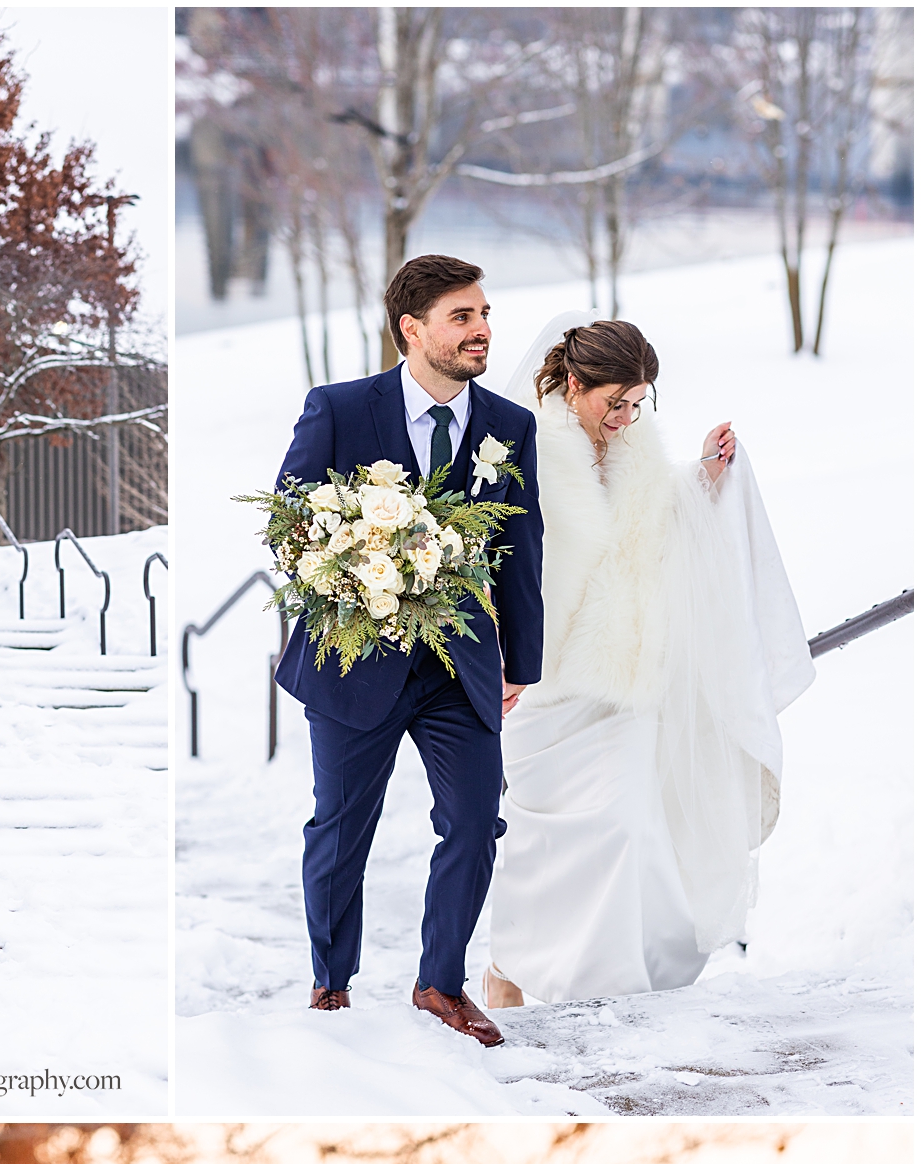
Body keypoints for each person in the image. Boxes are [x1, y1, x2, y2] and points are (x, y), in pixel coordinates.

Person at [485, 315, 815, 1006]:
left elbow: (661, 519)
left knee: (630, 825)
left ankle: (615, 984)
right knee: (539, 841)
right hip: (545, 686)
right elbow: (493, 560)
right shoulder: (520, 447)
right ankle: (513, 965)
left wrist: (704, 476)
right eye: (616, 402)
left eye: (639, 404)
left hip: (624, 679)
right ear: (574, 385)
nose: (628, 417)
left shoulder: (637, 452)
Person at [274, 254, 545, 1047]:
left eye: (484, 314)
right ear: (411, 329)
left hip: (458, 667)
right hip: (355, 660)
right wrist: (359, 563)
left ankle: (440, 983)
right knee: (340, 828)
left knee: (472, 822)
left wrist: (520, 661)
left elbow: (521, 551)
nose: (482, 330)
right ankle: (331, 981)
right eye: (462, 317)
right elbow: (288, 526)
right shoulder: (338, 408)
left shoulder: (509, 426)